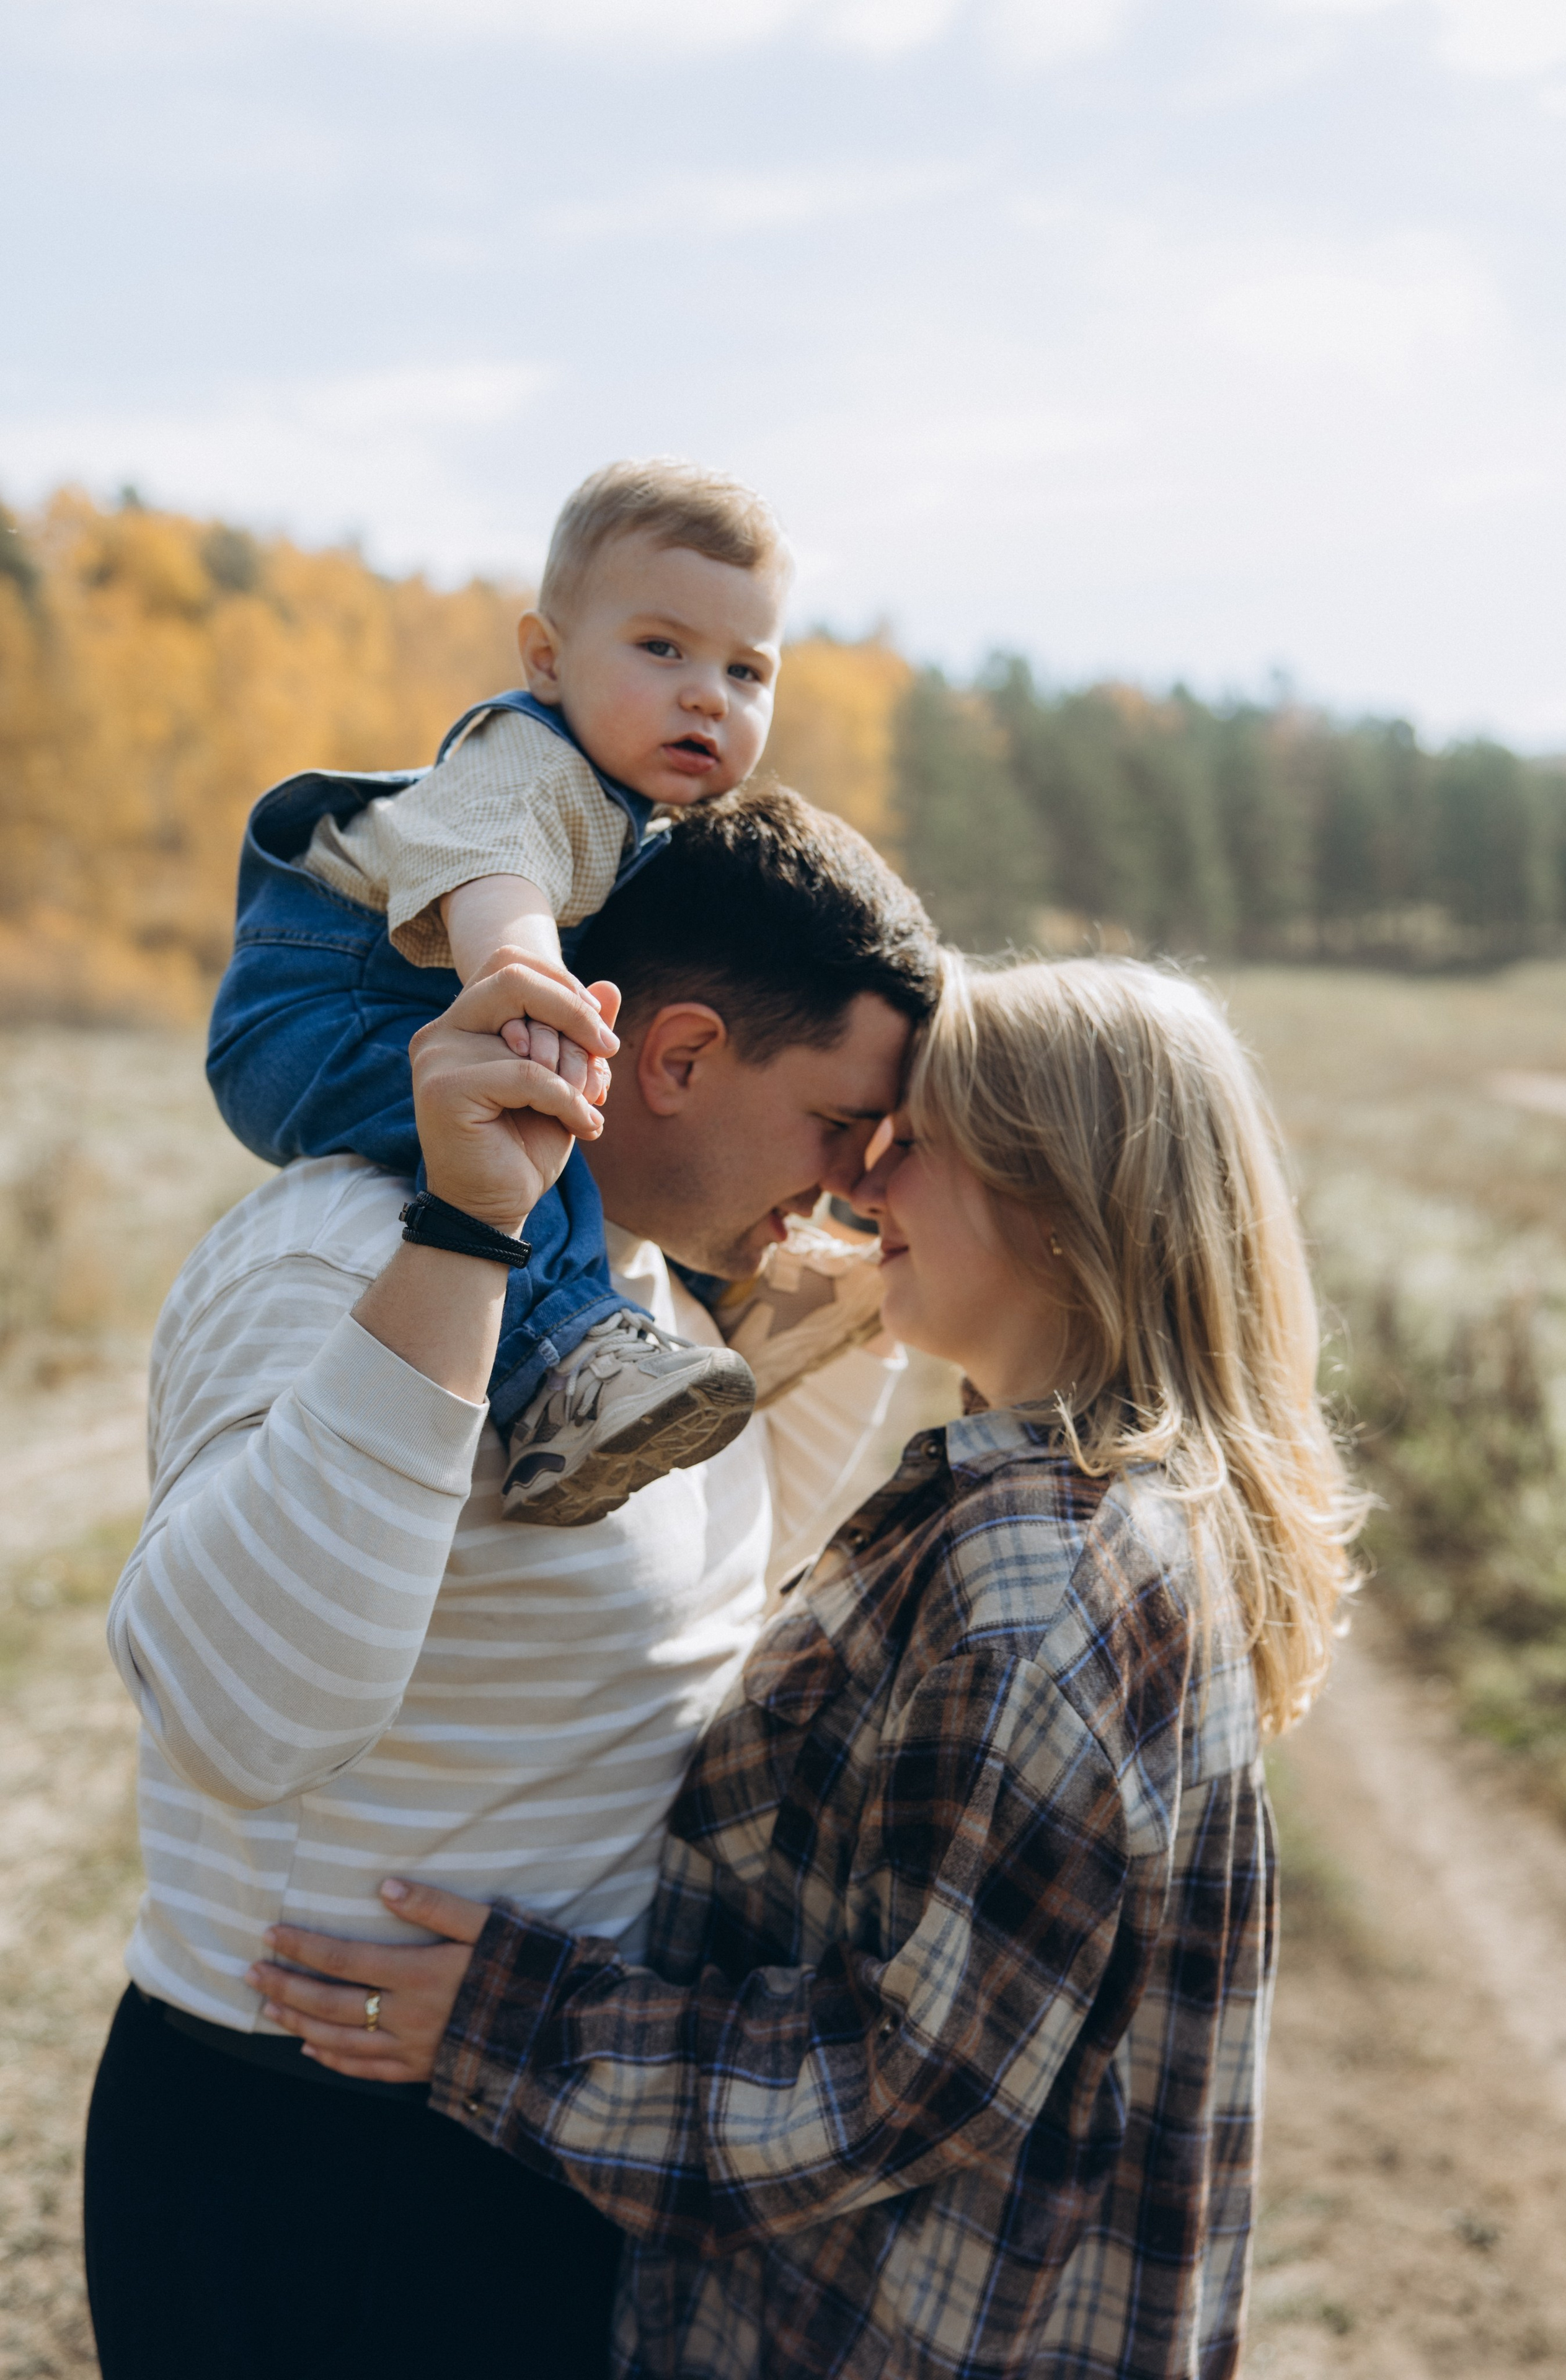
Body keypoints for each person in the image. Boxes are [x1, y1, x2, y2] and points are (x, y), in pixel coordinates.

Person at [254, 954, 1366, 2380]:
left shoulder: (1039, 1588)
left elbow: (898, 2086)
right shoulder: (1078, 1513)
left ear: (1056, 1194)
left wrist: (508, 2029)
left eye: (913, 1147)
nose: (865, 1192)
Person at [83, 788, 941, 2380]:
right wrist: (469, 1228)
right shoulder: (341, 1251)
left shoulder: (644, 1309)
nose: (851, 1186)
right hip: (305, 2162)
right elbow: (235, 1713)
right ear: (676, 1059)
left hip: (538, 2131)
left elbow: (704, 1638)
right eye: (840, 1125)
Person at [208, 456, 883, 1530]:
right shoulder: (523, 756)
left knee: (597, 1122)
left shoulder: (631, 802)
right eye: (662, 649)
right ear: (547, 658)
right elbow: (495, 870)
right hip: (320, 1008)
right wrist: (523, 971)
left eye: (746, 671)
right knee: (528, 1119)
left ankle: (714, 1305)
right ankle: (568, 1374)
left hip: (406, 1000)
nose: (707, 693)